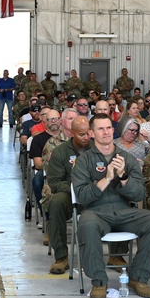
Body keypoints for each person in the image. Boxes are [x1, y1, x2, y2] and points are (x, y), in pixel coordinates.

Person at [74, 113, 150, 298]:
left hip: (124, 211)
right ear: (92, 133)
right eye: (100, 128)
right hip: (96, 211)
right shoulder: (84, 160)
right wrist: (107, 178)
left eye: (108, 127)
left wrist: (123, 176)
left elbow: (139, 194)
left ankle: (138, 278)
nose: (106, 132)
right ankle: (99, 281)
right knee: (87, 225)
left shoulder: (127, 158)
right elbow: (83, 197)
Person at [44, 116, 92, 275]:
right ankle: (61, 257)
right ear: (72, 133)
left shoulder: (98, 149)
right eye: (81, 135)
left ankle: (116, 256)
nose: (86, 138)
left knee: (118, 201)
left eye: (88, 134)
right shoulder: (60, 152)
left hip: (95, 192)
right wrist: (76, 189)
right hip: (70, 193)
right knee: (56, 203)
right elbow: (54, 182)